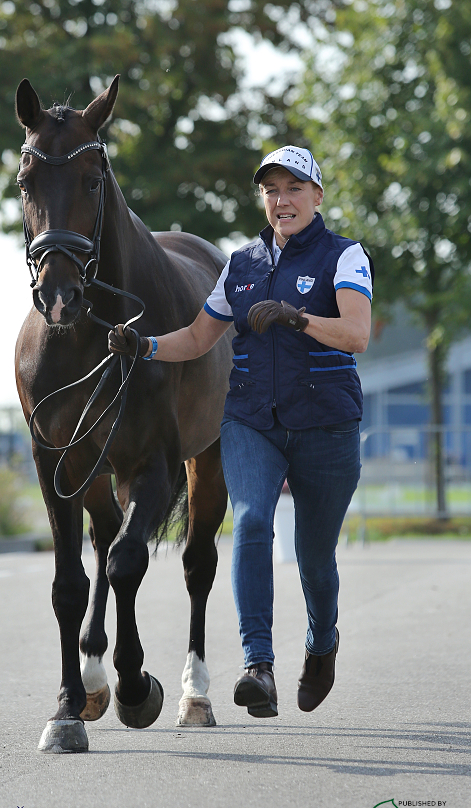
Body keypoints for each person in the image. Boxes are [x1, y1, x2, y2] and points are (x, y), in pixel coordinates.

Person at [108, 145, 373, 718]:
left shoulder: (345, 256)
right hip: (252, 420)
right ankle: (258, 665)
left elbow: (356, 335)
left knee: (313, 554)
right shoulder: (242, 265)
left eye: (294, 189)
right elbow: (199, 338)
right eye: (272, 190)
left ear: (317, 196)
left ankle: (321, 643)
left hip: (326, 422)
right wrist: (146, 346)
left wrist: (296, 316)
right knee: (251, 521)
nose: (283, 201)